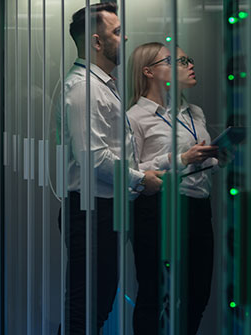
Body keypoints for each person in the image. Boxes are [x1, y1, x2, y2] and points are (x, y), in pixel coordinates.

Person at [56, 3, 164, 334]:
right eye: (117, 32)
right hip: (92, 212)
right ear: (96, 42)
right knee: (87, 308)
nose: (125, 36)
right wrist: (140, 180)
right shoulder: (85, 88)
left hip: (103, 209)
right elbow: (94, 157)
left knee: (94, 306)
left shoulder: (101, 84)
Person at [127, 43, 219, 334]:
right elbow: (131, 174)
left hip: (198, 207)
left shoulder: (194, 112)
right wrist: (180, 159)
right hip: (159, 208)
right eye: (179, 61)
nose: (190, 64)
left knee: (197, 294)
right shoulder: (135, 117)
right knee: (154, 295)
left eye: (188, 59)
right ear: (149, 72)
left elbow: (201, 159)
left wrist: (218, 155)